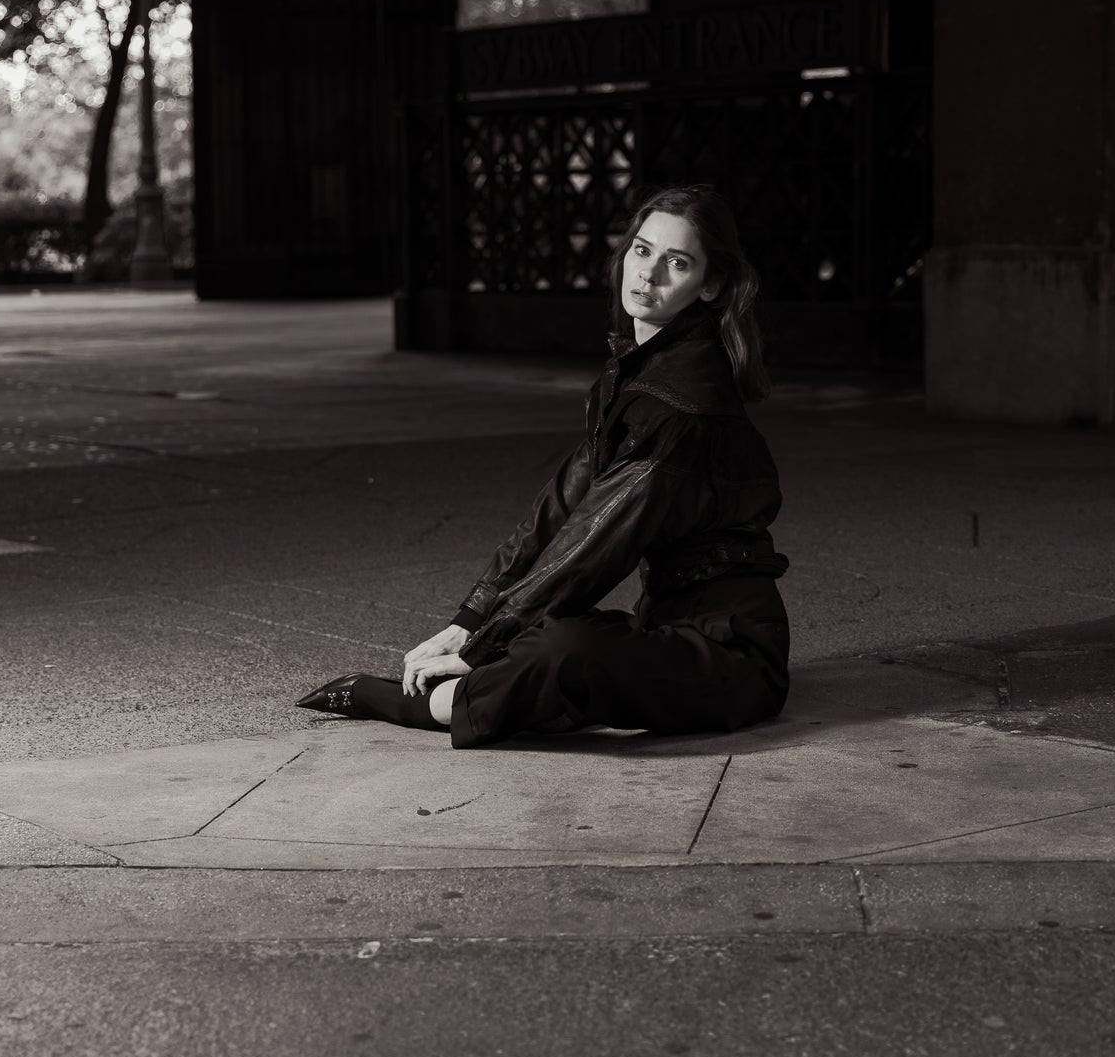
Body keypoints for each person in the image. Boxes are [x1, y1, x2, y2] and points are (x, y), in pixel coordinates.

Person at [297, 183, 790, 748]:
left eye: (676, 263)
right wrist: (471, 621)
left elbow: (598, 543)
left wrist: (484, 646)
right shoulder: (639, 372)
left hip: (734, 657)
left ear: (712, 285)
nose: (648, 274)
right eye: (642, 250)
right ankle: (483, 686)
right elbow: (559, 512)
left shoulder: (685, 402)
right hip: (669, 627)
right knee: (552, 634)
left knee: (560, 650)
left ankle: (420, 706)